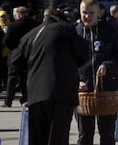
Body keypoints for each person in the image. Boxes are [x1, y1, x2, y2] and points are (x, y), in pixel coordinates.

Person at [11, 9, 89, 145]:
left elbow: (15, 60)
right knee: (57, 138)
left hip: (36, 95)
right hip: (61, 94)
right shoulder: (65, 29)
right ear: (61, 20)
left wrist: (33, 68)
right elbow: (85, 53)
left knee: (37, 139)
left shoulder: (32, 34)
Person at [75, 0, 118, 145]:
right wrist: (75, 81)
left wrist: (108, 66)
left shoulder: (110, 31)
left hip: (108, 90)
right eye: (84, 12)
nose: (87, 16)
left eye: (91, 13)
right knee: (84, 135)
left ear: (98, 12)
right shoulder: (74, 32)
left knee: (107, 135)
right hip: (83, 91)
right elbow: (66, 62)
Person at [2, 6, 38, 107]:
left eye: (14, 15)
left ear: (18, 14)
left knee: (12, 77)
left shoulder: (13, 26)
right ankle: (25, 99)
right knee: (26, 78)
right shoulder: (35, 25)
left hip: (16, 54)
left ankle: (8, 100)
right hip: (31, 54)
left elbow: (6, 41)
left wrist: (14, 48)